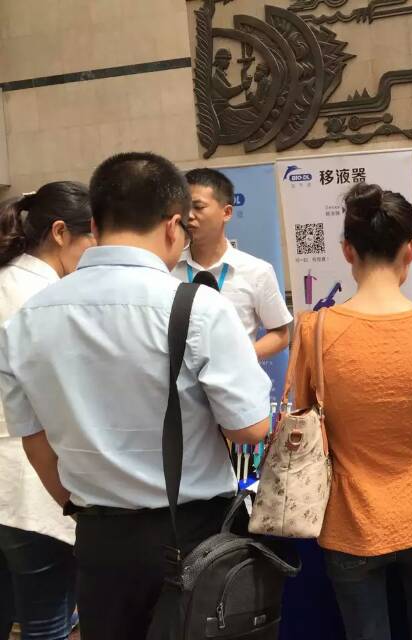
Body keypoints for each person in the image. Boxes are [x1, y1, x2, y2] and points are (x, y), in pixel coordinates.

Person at [0, 152, 273, 640]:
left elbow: (33, 440)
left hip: (98, 539)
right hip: (192, 535)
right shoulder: (197, 307)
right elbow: (250, 428)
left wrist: (80, 508)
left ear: (96, 224)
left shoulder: (28, 318)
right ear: (172, 226)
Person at [292, 183, 412, 640]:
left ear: (347, 250)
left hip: (349, 522)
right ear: (410, 250)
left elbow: (303, 420)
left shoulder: (315, 329)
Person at [0, 183, 95, 640]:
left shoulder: (10, 282)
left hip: (13, 480)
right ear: (60, 233)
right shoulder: (48, 299)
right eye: (92, 237)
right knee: (46, 622)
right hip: (30, 482)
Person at [172, 168, 292, 360]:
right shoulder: (167, 268)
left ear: (226, 212)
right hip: (179, 378)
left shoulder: (257, 271)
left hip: (236, 378)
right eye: (185, 208)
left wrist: (239, 359)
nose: (189, 216)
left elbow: (281, 334)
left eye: (198, 207)